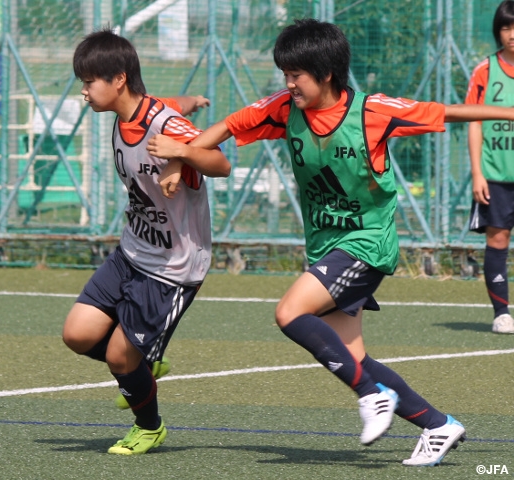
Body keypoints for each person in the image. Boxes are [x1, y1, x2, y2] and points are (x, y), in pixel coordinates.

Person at [149, 18, 514, 466]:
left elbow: (447, 112)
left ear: (325, 74)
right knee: (354, 356)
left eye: (295, 75)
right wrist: (182, 158)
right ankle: (439, 425)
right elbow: (227, 126)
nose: (288, 83)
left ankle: (370, 395)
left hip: (366, 243)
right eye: (284, 73)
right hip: (327, 247)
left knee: (289, 313)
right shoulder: (284, 108)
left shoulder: (372, 112)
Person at [62, 28, 231, 455]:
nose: (84, 91)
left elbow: (220, 163)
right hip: (131, 251)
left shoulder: (165, 125)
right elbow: (171, 103)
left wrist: (184, 153)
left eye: (89, 81)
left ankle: (149, 426)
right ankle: (143, 365)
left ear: (118, 79)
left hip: (172, 268)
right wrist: (190, 100)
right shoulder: (126, 115)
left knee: (120, 358)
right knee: (77, 334)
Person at [466, 0, 514, 334]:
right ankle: (501, 313)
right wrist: (477, 173)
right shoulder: (485, 70)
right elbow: (473, 122)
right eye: (506, 27)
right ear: (498, 31)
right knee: (497, 241)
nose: (512, 34)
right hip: (495, 175)